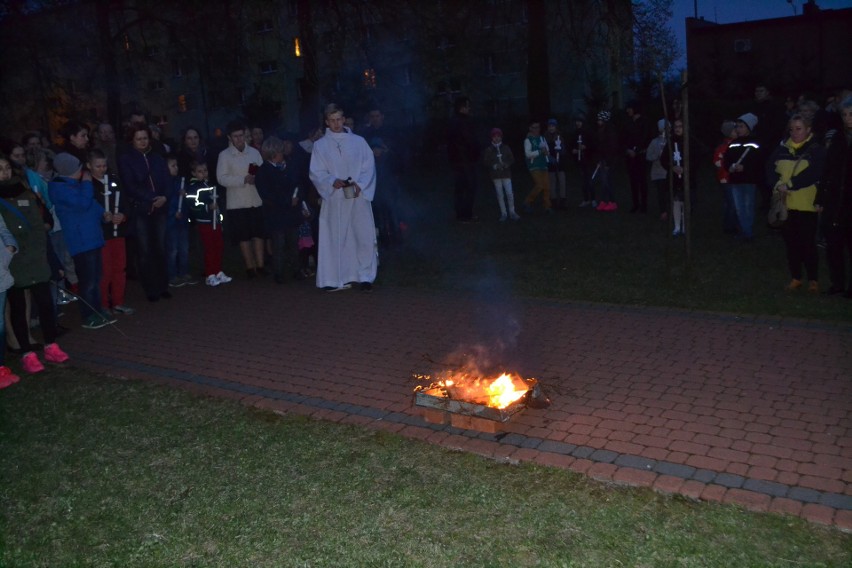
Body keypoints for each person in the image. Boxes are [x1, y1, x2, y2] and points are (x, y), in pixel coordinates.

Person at [0, 154, 70, 373]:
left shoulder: (25, 191)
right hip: (14, 260)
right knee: (19, 308)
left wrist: (50, 258)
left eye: (6, 167)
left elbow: (41, 224)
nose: (4, 172)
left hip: (37, 257)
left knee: (46, 303)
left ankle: (51, 345)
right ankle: (26, 353)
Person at [309, 103, 377, 292]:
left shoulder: (359, 142)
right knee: (334, 236)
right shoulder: (320, 146)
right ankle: (333, 277)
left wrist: (360, 185)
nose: (336, 124)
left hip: (357, 197)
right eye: (332, 120)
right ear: (326, 122)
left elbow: (368, 166)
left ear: (344, 119)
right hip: (335, 199)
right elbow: (316, 172)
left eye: (339, 119)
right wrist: (332, 180)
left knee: (362, 236)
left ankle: (364, 276)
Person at [49, 153, 117, 329]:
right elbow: (83, 204)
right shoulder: (59, 188)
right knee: (87, 280)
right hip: (80, 241)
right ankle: (88, 315)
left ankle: (96, 309)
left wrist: (103, 213)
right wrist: (87, 183)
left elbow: (91, 204)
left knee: (95, 277)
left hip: (92, 237)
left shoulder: (75, 185)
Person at [766, 113, 827, 293]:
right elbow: (769, 168)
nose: (794, 133)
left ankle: (813, 280)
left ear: (808, 129)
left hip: (806, 204)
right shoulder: (782, 148)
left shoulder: (816, 150)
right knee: (791, 243)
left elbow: (815, 173)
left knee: (807, 243)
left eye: (799, 129)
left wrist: (791, 184)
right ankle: (796, 277)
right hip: (785, 205)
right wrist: (777, 184)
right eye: (791, 129)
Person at [118, 123, 171, 302]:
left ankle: (163, 284)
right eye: (139, 138)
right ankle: (150, 288)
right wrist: (151, 197)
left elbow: (167, 180)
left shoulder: (157, 158)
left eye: (145, 138)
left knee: (161, 248)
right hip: (141, 209)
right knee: (145, 250)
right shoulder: (126, 159)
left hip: (160, 208)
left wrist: (163, 197)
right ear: (132, 140)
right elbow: (130, 185)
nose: (142, 141)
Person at [216, 120, 266, 278]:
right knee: (243, 236)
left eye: (241, 135)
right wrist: (242, 180)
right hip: (237, 202)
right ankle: (250, 267)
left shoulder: (254, 152)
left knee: (258, 234)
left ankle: (261, 265)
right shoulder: (224, 155)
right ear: (230, 138)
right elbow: (221, 178)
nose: (239, 139)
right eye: (236, 136)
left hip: (255, 199)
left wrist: (255, 177)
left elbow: (263, 170)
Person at [87, 149, 134, 315]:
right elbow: (88, 207)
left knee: (119, 267)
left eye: (104, 165)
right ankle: (104, 304)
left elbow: (126, 203)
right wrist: (102, 216)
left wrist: (123, 215)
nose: (102, 169)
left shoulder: (114, 181)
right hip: (102, 235)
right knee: (105, 270)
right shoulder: (88, 185)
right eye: (97, 166)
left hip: (118, 232)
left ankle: (118, 301)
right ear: (89, 166)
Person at [255, 136, 305, 283]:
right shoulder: (264, 171)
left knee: (294, 243)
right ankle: (279, 273)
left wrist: (298, 198)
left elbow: (299, 183)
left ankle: (297, 270)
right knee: (278, 244)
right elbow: (266, 194)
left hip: (292, 213)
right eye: (280, 151)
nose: (282, 154)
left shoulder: (289, 166)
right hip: (275, 214)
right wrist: (287, 201)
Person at [821, 95, 852, 297]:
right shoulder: (838, 139)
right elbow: (828, 170)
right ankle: (837, 284)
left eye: (851, 114)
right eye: (845, 114)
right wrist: (820, 197)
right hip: (834, 201)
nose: (848, 118)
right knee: (834, 246)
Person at [184, 161, 231, 287]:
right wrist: (207, 207)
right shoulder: (193, 188)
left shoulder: (210, 185)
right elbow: (193, 205)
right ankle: (210, 274)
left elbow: (217, 203)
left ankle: (218, 271)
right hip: (205, 222)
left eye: (205, 170)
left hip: (215, 221)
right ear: (194, 173)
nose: (203, 173)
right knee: (209, 248)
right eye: (199, 171)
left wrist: (219, 216)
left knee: (218, 247)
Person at [724, 113, 763, 242]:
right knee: (739, 207)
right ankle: (743, 230)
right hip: (735, 180)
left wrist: (745, 168)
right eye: (737, 127)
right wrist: (729, 166)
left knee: (747, 205)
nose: (738, 129)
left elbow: (758, 162)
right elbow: (726, 159)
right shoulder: (733, 144)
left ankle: (747, 232)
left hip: (748, 180)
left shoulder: (755, 143)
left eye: (741, 126)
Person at [447, 96, 479, 222]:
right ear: (462, 107)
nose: (469, 108)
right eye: (467, 106)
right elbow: (469, 141)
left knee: (460, 188)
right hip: (465, 160)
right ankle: (466, 214)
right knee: (469, 186)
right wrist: (475, 152)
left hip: (457, 160)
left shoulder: (453, 121)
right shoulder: (462, 122)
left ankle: (461, 213)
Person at [165, 154, 195, 288]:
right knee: (172, 250)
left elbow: (187, 202)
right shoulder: (164, 184)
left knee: (184, 248)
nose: (176, 168)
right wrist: (172, 213)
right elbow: (167, 202)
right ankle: (171, 275)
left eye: (176, 165)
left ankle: (184, 272)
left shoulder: (180, 182)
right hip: (171, 223)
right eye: (173, 166)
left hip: (182, 221)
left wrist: (185, 195)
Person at [481, 127, 518, 221]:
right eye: (494, 136)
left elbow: (511, 159)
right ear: (492, 138)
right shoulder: (489, 150)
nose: (496, 138)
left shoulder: (506, 148)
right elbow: (486, 161)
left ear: (501, 137)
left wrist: (506, 164)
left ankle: (512, 212)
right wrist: (495, 166)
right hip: (496, 175)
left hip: (506, 174)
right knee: (500, 194)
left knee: (509, 193)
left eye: (498, 136)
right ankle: (504, 213)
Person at [0, 214, 19, 388]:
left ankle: (1, 368)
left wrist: (10, 247)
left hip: (1, 272)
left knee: (0, 326)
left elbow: (3, 228)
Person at [623, 101, 651, 213]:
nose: (627, 111)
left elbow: (645, 137)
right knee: (633, 181)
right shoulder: (628, 122)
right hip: (630, 156)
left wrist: (637, 150)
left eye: (629, 108)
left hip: (640, 156)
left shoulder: (644, 122)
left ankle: (644, 205)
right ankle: (635, 204)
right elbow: (624, 137)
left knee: (642, 181)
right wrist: (627, 150)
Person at [713, 120, 739, 234]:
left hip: (735, 178)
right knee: (732, 203)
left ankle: (731, 223)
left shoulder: (738, 144)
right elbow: (717, 162)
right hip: (726, 178)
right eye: (734, 130)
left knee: (731, 202)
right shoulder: (723, 148)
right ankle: (729, 227)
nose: (737, 131)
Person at [522, 121, 551, 213]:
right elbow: (528, 154)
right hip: (534, 165)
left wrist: (547, 152)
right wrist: (539, 152)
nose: (536, 129)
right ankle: (527, 201)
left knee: (546, 186)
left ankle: (547, 206)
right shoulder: (528, 140)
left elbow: (547, 150)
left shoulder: (542, 138)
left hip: (543, 164)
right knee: (539, 185)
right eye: (534, 127)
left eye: (538, 127)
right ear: (530, 128)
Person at [593, 110, 619, 211]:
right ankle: (604, 201)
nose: (598, 121)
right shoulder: (600, 131)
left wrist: (608, 162)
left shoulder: (610, 132)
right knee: (603, 181)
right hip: (602, 159)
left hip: (608, 160)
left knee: (607, 182)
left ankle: (612, 202)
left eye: (599, 119)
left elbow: (612, 148)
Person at [645, 119, 668, 222]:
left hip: (669, 172)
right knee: (661, 193)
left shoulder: (671, 141)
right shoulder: (654, 142)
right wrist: (657, 156)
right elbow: (648, 156)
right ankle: (663, 212)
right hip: (658, 172)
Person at [571, 115, 595, 207]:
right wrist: (574, 150)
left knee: (590, 180)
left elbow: (593, 145)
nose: (578, 123)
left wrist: (586, 147)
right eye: (577, 121)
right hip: (580, 160)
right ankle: (585, 199)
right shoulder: (575, 133)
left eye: (579, 121)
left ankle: (592, 199)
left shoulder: (588, 132)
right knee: (583, 180)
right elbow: (572, 145)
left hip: (588, 160)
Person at [544, 118, 568, 210]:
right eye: (550, 126)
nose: (551, 128)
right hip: (550, 163)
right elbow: (544, 150)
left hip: (560, 162)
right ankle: (553, 201)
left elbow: (564, 150)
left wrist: (560, 151)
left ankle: (563, 201)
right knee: (552, 182)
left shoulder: (560, 137)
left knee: (562, 181)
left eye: (553, 126)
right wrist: (549, 158)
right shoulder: (545, 137)